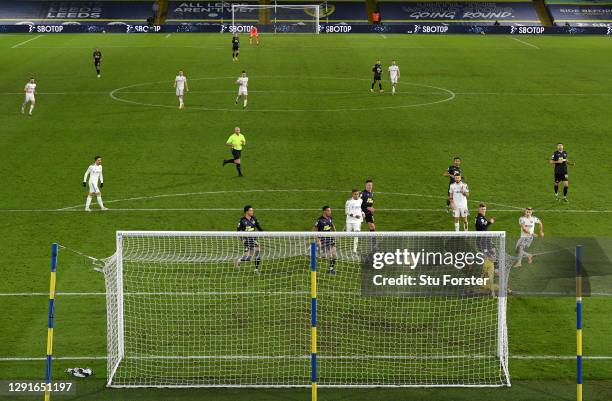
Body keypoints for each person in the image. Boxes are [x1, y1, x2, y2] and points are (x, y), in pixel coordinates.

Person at [236, 205, 263, 274]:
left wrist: (265, 234)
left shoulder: (254, 219)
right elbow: (238, 231)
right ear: (247, 211)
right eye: (251, 210)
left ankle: (256, 269)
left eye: (252, 210)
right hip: (246, 239)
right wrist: (242, 239)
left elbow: (259, 227)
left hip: (253, 239)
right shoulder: (242, 220)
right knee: (248, 257)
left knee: (257, 251)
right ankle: (239, 260)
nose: (252, 212)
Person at [313, 206, 337, 274]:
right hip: (323, 240)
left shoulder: (330, 218)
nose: (330, 212)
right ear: (324, 211)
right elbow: (314, 231)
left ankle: (331, 269)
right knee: (324, 256)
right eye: (328, 211)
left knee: (334, 255)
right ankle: (315, 251)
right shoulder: (319, 221)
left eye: (330, 210)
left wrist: (336, 233)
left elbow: (332, 225)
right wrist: (318, 240)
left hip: (330, 239)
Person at [345, 189, 364, 253]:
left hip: (357, 221)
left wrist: (362, 213)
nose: (356, 195)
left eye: (357, 194)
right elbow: (346, 212)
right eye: (355, 194)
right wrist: (354, 215)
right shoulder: (348, 201)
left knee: (356, 234)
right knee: (348, 235)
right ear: (352, 194)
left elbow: (360, 208)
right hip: (349, 220)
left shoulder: (361, 200)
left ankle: (354, 250)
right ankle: (346, 231)